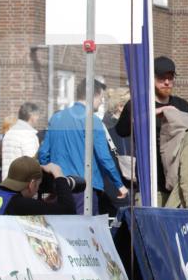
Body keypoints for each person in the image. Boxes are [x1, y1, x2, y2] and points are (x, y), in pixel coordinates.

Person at [39, 78, 126, 213]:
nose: (102, 101)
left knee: (61, 231)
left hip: (60, 186)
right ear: (93, 95)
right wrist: (119, 184)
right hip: (84, 189)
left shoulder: (56, 118)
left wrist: (50, 183)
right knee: (85, 232)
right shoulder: (93, 120)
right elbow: (104, 157)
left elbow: (44, 154)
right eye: (101, 97)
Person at [116, 56, 188, 202]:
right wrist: (152, 114)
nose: (166, 82)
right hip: (149, 183)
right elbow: (121, 131)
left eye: (170, 78)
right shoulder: (137, 104)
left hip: (178, 184)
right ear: (151, 79)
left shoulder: (182, 105)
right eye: (161, 78)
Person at [0, 155, 75, 215]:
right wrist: (58, 174)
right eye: (38, 185)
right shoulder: (17, 204)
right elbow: (68, 210)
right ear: (32, 184)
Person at [1, 102, 40, 178]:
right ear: (32, 116)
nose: (38, 118)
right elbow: (32, 163)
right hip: (22, 185)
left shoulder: (9, 133)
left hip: (7, 182)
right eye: (37, 115)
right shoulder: (28, 134)